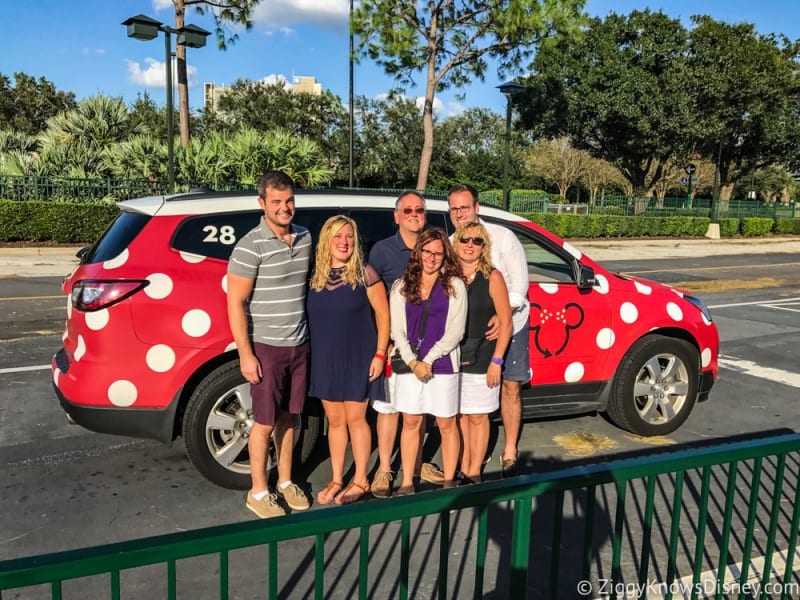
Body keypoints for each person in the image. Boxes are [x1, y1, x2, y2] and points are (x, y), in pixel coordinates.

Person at [227, 170, 312, 518]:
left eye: (289, 200)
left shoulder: (306, 237)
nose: (284, 207)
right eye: (276, 201)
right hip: (266, 347)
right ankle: (258, 490)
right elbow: (235, 302)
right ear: (262, 203)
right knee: (262, 423)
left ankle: (286, 481)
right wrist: (246, 354)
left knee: (289, 418)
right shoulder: (250, 246)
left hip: (300, 344)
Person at [447, 184, 531, 478]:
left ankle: (509, 450)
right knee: (466, 403)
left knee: (509, 386)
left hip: (511, 323)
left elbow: (520, 285)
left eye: (464, 207)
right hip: (470, 334)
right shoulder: (450, 242)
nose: (460, 214)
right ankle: (468, 462)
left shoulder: (503, 237)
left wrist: (503, 312)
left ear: (477, 207)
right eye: (454, 209)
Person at [307, 215, 390, 505]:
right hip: (325, 359)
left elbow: (383, 315)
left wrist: (380, 353)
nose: (344, 242)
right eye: (338, 236)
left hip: (359, 358)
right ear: (327, 240)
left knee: (356, 420)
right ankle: (337, 478)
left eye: (349, 236)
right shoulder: (315, 274)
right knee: (335, 420)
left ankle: (361, 480)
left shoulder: (365, 274)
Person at [367, 191, 444, 498]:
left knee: (418, 410)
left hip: (427, 347)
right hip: (393, 345)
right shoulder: (383, 251)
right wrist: (379, 345)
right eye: (408, 209)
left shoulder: (437, 248)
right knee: (389, 409)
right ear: (396, 216)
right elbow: (372, 300)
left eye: (420, 210)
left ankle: (415, 463)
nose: (415, 214)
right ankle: (385, 469)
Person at [390, 228, 467, 493]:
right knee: (411, 422)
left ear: (445, 256)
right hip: (409, 366)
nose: (431, 258)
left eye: (438, 253)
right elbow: (396, 330)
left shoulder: (455, 286)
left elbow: (456, 331)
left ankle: (448, 481)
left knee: (446, 423)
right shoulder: (401, 286)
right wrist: (413, 362)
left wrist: (429, 359)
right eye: (427, 251)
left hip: (443, 366)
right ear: (418, 252)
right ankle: (409, 481)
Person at [453, 222, 512, 482]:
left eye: (477, 241)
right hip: (453, 358)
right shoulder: (448, 274)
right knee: (460, 415)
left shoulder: (493, 276)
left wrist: (497, 361)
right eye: (465, 239)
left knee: (478, 416)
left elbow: (506, 321)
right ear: (457, 242)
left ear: (484, 246)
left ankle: (474, 470)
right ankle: (463, 465)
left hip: (484, 357)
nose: (470, 245)